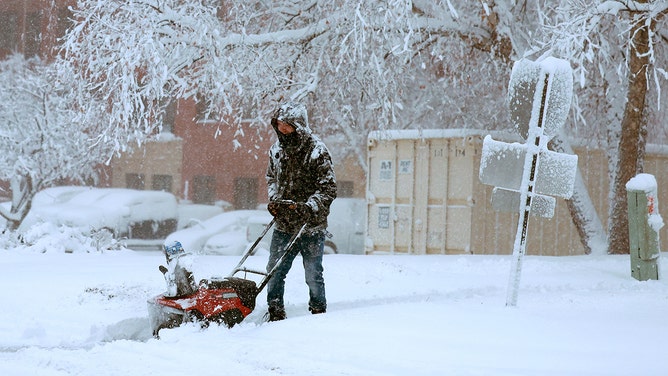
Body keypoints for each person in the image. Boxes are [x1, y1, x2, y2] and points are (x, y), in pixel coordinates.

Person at [264, 101, 337, 322]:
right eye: (279, 125)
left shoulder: (317, 151)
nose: (282, 129)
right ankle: (275, 311)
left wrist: (309, 206)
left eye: (286, 125)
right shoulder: (276, 150)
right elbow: (270, 179)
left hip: (311, 226)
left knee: (313, 273)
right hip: (285, 224)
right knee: (274, 270)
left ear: (298, 125)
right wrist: (275, 200)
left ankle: (317, 313)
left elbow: (328, 188)